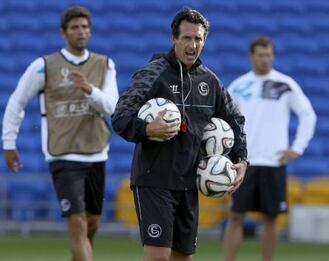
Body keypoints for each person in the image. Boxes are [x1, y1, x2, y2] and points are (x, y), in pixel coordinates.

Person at [111, 8, 249, 261]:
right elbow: (120, 117)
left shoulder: (210, 81)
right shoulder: (152, 74)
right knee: (158, 257)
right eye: (186, 38)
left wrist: (241, 159)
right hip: (154, 179)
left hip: (189, 182)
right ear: (173, 38)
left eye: (198, 39)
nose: (192, 45)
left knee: (183, 258)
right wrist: (147, 128)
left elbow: (235, 120)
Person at [2, 6, 119, 261]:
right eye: (75, 27)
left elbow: (112, 106)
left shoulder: (104, 64)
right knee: (76, 224)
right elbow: (16, 101)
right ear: (63, 33)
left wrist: (90, 90)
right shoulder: (44, 66)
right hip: (63, 155)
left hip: (96, 153)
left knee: (92, 224)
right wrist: (9, 143)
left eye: (85, 27)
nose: (81, 32)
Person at [224, 36, 317, 261]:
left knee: (271, 217)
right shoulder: (239, 85)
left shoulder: (285, 84)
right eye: (261, 55)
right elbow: (224, 120)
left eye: (269, 55)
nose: (266, 59)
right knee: (236, 216)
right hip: (244, 162)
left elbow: (308, 114)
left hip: (274, 161)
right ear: (251, 57)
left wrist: (297, 147)